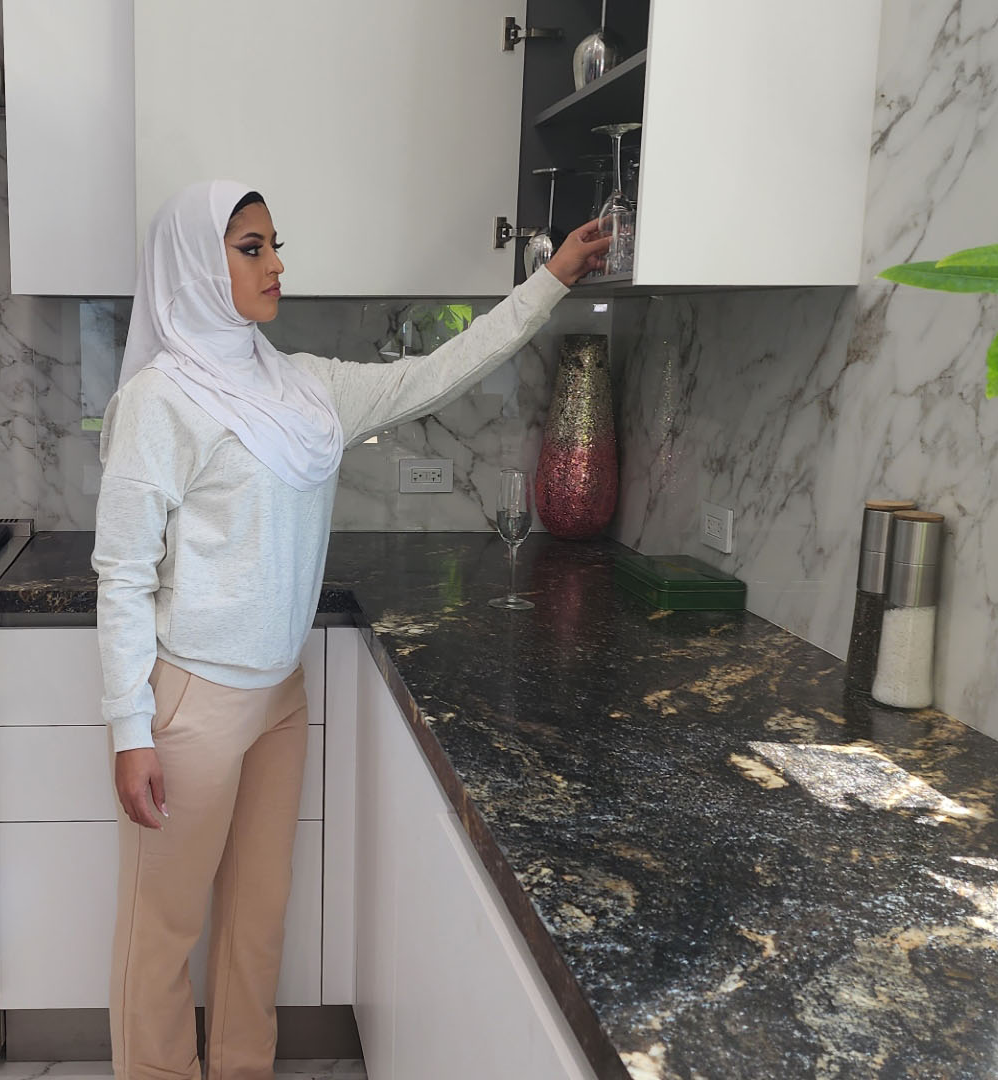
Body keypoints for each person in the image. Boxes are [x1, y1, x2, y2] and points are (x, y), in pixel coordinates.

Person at [93, 180, 610, 1080]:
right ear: (195, 265)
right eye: (250, 247)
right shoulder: (158, 401)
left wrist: (551, 280)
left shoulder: (304, 388)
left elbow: (435, 373)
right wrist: (129, 729)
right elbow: (124, 573)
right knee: (161, 932)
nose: (275, 264)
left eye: (273, 245)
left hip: (280, 696)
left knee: (258, 920)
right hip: (193, 703)